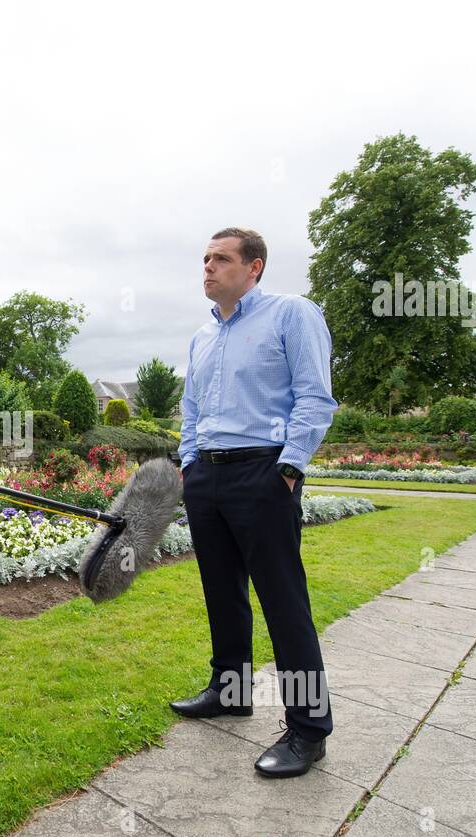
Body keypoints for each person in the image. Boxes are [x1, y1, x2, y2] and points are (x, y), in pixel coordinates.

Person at [171, 227, 338, 779]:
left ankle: (308, 730)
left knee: (284, 603)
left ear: (255, 267)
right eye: (204, 259)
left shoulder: (291, 314)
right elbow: (190, 408)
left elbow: (315, 395)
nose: (208, 268)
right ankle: (231, 689)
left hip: (264, 474)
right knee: (222, 592)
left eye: (221, 259)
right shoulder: (202, 337)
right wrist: (190, 463)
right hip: (208, 479)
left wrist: (288, 469)